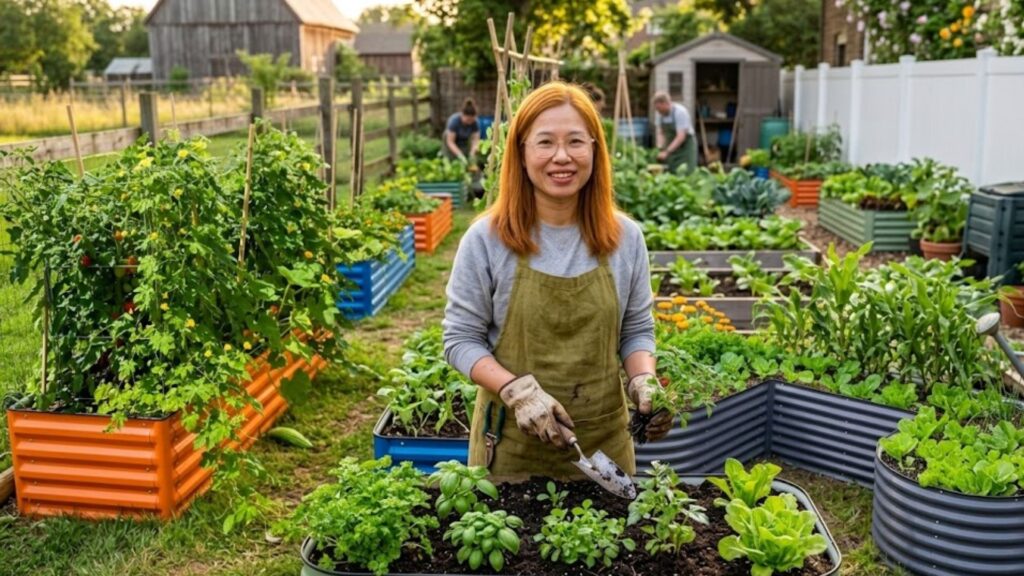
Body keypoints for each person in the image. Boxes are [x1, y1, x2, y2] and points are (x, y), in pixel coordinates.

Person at [442, 82, 673, 479]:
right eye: (545, 142)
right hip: (511, 449)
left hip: (605, 451)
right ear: (522, 152)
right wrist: (518, 392)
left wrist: (643, 379)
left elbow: (636, 329)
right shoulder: (487, 240)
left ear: (595, 150)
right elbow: (460, 340)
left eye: (576, 142)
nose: (562, 157)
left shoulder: (626, 238)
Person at [652, 91, 697, 173]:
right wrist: (660, 147)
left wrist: (667, 152)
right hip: (672, 146)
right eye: (656, 109)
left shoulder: (680, 112)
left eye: (659, 108)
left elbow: (681, 136)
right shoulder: (659, 114)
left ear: (666, 103)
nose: (658, 111)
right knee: (672, 170)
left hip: (685, 146)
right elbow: (660, 133)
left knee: (686, 171)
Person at [442, 98, 481, 163]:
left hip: (463, 141)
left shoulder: (475, 122)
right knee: (451, 160)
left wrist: (472, 153)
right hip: (451, 142)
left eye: (472, 120)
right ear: (462, 115)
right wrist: (460, 155)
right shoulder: (454, 121)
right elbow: (450, 142)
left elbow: (475, 140)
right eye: (468, 120)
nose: (470, 123)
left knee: (466, 158)